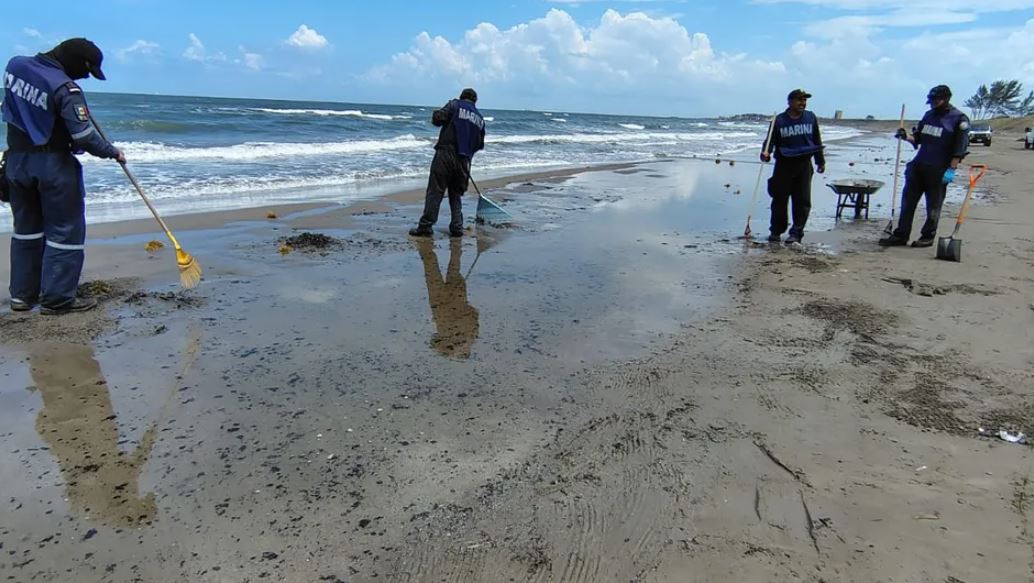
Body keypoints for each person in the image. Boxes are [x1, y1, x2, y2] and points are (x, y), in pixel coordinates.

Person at [2, 38, 125, 315]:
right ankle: (57, 300)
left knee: (26, 230)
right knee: (65, 232)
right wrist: (113, 152)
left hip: (17, 162)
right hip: (53, 166)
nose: (85, 78)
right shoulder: (67, 89)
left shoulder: (15, 66)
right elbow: (84, 136)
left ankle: (22, 296)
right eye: (87, 71)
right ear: (78, 63)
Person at [879, 85, 969, 247]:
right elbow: (918, 139)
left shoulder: (959, 119)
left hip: (938, 169)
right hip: (918, 166)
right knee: (907, 202)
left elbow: (959, 148)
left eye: (936, 100)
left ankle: (927, 236)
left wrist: (951, 169)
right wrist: (905, 136)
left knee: (933, 205)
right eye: (931, 100)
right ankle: (901, 234)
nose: (932, 103)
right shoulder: (928, 115)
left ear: (945, 99)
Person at [409, 88, 485, 238]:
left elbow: (438, 119)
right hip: (464, 161)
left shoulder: (454, 105)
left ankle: (425, 226)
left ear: (461, 97)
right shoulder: (480, 119)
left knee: (435, 191)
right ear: (475, 101)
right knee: (455, 194)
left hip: (445, 154)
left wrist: (435, 113)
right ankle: (457, 227)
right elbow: (479, 144)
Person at [760, 89, 826, 244]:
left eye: (804, 100)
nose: (802, 103)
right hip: (784, 164)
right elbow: (769, 141)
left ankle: (796, 233)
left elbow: (816, 139)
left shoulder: (810, 117)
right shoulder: (778, 120)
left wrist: (820, 161)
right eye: (799, 100)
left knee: (802, 201)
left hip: (804, 164)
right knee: (779, 200)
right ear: (789, 102)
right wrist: (766, 153)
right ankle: (776, 231)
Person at [414, 238, 479, 358]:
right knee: (434, 269)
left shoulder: (469, 338)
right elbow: (474, 314)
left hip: (451, 303)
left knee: (451, 268)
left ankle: (454, 240)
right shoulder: (466, 339)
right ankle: (454, 235)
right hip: (442, 307)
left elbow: (474, 314)